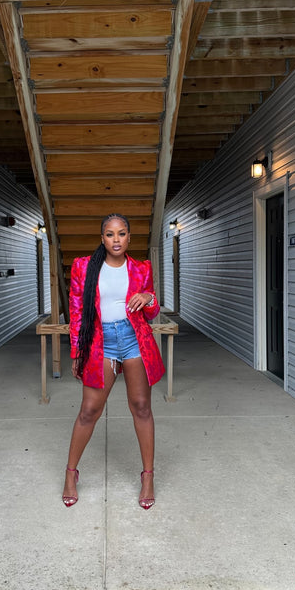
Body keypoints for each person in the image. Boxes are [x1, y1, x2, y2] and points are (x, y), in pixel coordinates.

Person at [62, 213, 165, 509]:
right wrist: (78, 352)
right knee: (89, 410)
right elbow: (77, 311)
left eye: (121, 234)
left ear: (129, 238)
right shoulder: (85, 267)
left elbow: (151, 312)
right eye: (110, 234)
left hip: (134, 339)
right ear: (102, 238)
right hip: (100, 343)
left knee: (142, 407)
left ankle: (148, 477)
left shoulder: (141, 268)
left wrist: (148, 296)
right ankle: (71, 474)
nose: (116, 239)